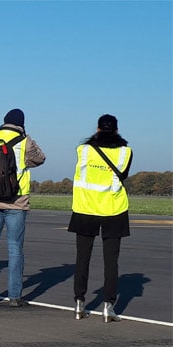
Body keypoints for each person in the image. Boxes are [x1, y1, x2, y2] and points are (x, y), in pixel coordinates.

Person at [0, 109, 46, 306]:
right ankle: (15, 296)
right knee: (15, 248)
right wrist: (28, 138)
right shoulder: (25, 142)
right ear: (21, 124)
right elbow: (40, 158)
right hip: (16, 201)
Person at [68, 114, 132, 322]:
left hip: (85, 208)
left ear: (97, 128)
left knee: (82, 258)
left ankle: (79, 303)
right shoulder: (125, 152)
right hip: (114, 209)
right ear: (116, 129)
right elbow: (123, 175)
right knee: (111, 261)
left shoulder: (84, 150)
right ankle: (108, 307)